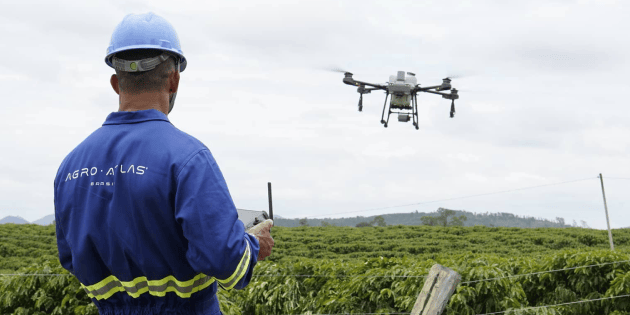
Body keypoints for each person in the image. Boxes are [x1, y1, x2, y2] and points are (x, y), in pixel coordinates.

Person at [53, 12, 274, 315]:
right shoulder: (189, 158)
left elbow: (69, 257)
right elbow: (227, 262)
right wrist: (252, 244)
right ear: (174, 79)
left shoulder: (70, 168)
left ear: (116, 83)